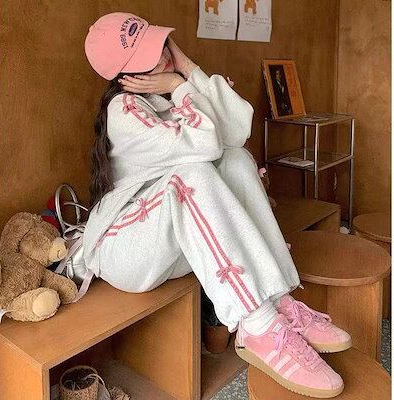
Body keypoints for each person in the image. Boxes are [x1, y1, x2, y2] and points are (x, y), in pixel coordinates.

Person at [83, 12, 351, 398]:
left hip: (171, 242)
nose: (161, 54)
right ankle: (257, 326)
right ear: (125, 75)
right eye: (148, 54)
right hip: (126, 252)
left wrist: (188, 68)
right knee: (191, 175)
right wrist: (180, 85)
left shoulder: (164, 93)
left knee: (237, 160)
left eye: (160, 43)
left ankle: (278, 300)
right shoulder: (124, 112)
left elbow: (236, 130)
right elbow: (206, 143)